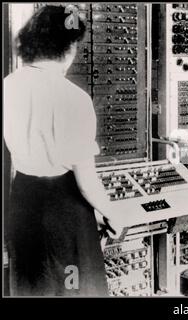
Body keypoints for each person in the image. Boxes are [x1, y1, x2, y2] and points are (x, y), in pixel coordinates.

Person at [4, 6, 123, 296]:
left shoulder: (8, 86)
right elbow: (86, 181)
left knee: (32, 285)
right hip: (64, 213)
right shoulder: (73, 98)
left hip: (23, 203)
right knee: (73, 288)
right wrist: (111, 213)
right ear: (69, 48)